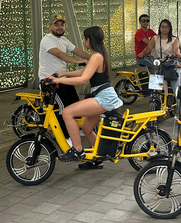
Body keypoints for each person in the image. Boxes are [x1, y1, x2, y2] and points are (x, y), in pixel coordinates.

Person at [45, 26, 123, 165]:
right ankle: (97, 159)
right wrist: (64, 73)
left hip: (104, 98)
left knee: (67, 113)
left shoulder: (96, 57)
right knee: (87, 127)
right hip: (103, 96)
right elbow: (85, 71)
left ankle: (77, 149)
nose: (83, 41)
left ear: (89, 40)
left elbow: (83, 79)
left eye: (84, 38)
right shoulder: (99, 55)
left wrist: (58, 80)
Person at [39, 13, 91, 111]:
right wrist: (78, 62)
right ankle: (64, 126)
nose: (60, 27)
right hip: (50, 81)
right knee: (64, 109)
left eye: (62, 25)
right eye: (56, 25)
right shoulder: (46, 40)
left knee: (75, 104)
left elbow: (77, 51)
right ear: (50, 27)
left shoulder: (64, 40)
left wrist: (93, 58)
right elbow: (59, 54)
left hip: (63, 78)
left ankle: (73, 125)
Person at [138, 19, 181, 101]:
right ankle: (156, 104)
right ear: (159, 28)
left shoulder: (174, 39)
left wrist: (178, 54)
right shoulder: (155, 38)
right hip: (159, 66)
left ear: (170, 28)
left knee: (177, 91)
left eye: (166, 27)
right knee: (156, 90)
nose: (164, 28)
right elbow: (149, 48)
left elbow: (176, 49)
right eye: (162, 27)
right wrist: (142, 53)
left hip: (171, 66)